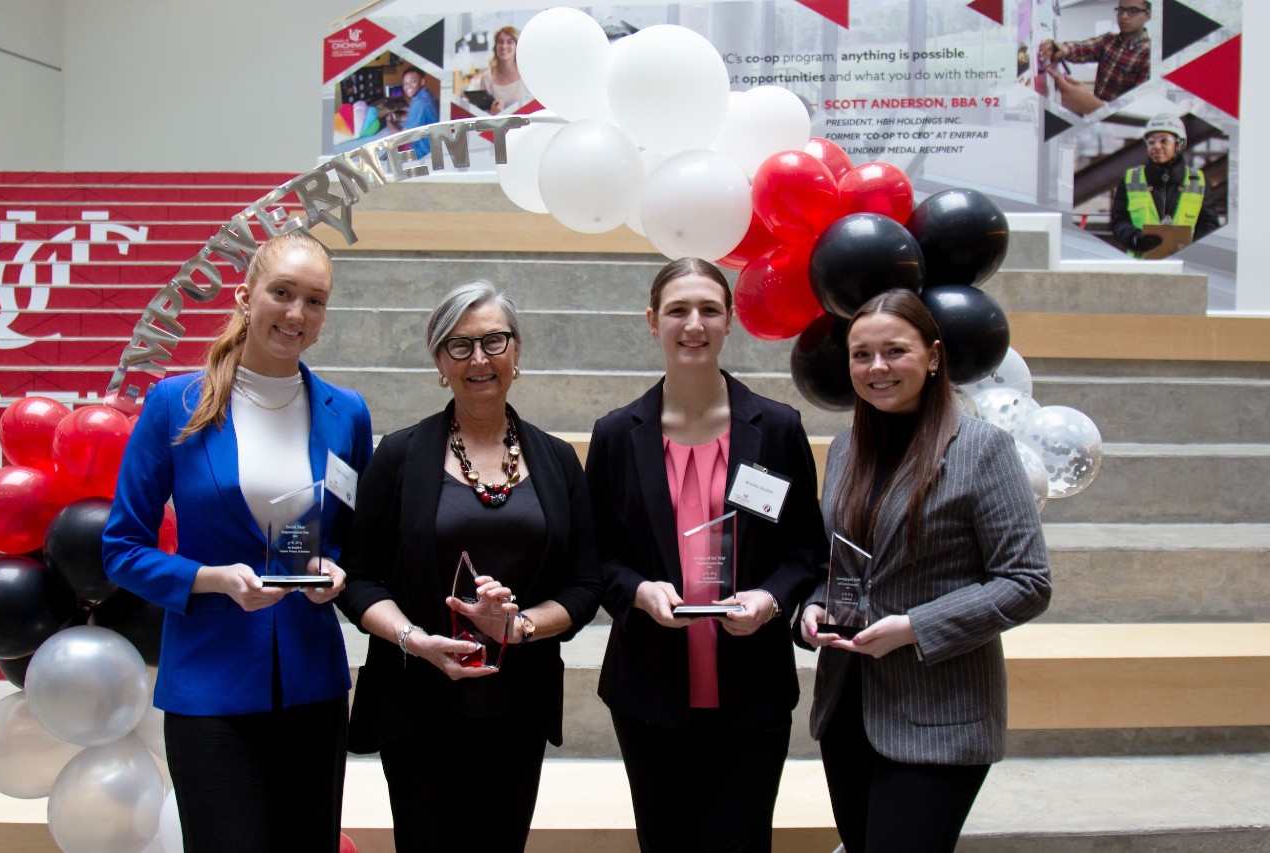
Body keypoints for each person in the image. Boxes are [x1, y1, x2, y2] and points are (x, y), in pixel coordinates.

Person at [103, 231, 374, 852]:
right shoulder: (176, 404)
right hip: (209, 683)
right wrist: (213, 579)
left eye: (314, 300)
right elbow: (122, 547)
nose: (296, 314)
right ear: (245, 297)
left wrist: (336, 572)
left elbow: (353, 540)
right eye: (282, 293)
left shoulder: (347, 413)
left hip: (312, 680)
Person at [337, 281, 602, 853]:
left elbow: (585, 585)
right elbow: (357, 578)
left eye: (493, 341)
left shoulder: (557, 460)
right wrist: (415, 639)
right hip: (418, 703)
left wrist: (520, 626)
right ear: (439, 361)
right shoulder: (400, 455)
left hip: (518, 705)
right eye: (459, 346)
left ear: (517, 351)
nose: (479, 359)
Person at [585, 258, 826, 852]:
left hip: (754, 686)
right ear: (651, 321)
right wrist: (638, 591)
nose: (694, 324)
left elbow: (805, 549)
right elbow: (594, 554)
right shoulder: (617, 434)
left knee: (740, 841)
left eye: (709, 310)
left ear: (730, 321)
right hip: (649, 686)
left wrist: (772, 599)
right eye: (677, 310)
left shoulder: (776, 427)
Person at [797, 289, 1051, 853]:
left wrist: (913, 626)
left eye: (895, 351)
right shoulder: (844, 449)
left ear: (933, 356)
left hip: (941, 717)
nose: (877, 367)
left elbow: (1027, 582)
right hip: (849, 711)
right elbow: (835, 561)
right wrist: (814, 605)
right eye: (862, 355)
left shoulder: (983, 449)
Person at [1111, 113, 1221, 257]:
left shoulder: (1198, 180)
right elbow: (1119, 221)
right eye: (1151, 142)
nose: (1156, 146)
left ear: (1178, 144)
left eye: (1164, 141)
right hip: (1141, 269)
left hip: (1183, 265)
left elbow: (1209, 225)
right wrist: (1134, 238)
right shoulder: (1131, 179)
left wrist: (1191, 248)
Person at [1041, 2, 1151, 104]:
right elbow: (1083, 48)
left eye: (1133, 11)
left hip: (1118, 123)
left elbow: (1138, 107)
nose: (1124, 16)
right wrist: (1062, 48)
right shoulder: (1109, 40)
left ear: (1148, 15)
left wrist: (1087, 102)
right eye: (1121, 10)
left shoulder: (1149, 55)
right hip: (1096, 117)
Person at [469, 26, 531, 115]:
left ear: (518, 45)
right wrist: (492, 113)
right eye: (500, 42)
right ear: (495, 47)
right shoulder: (487, 79)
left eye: (509, 42)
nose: (504, 46)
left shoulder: (527, 75)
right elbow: (483, 117)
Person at [386, 67, 439, 159]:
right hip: (435, 145)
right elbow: (421, 117)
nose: (408, 86)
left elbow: (400, 138)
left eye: (413, 82)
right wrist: (398, 118)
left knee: (387, 158)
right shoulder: (427, 94)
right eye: (405, 84)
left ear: (422, 81)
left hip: (425, 152)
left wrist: (389, 122)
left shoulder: (419, 103)